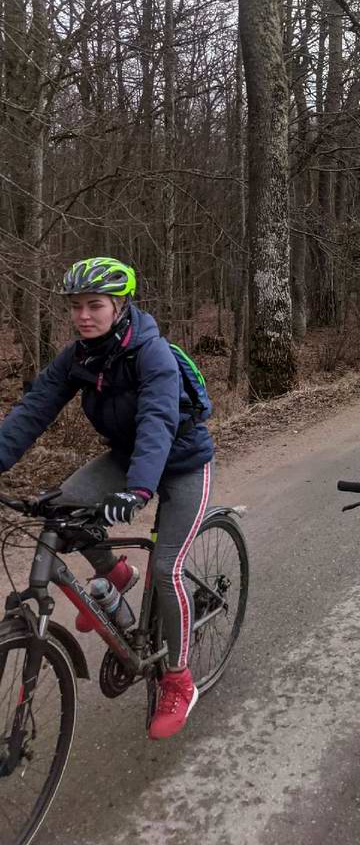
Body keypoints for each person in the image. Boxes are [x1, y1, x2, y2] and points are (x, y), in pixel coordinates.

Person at [0, 257, 214, 740]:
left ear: (119, 306)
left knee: (166, 569)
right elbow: (34, 409)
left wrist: (138, 489)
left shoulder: (151, 353)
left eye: (94, 305)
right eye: (75, 306)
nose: (82, 316)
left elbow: (157, 421)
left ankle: (179, 680)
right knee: (65, 505)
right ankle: (115, 573)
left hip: (182, 462)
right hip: (126, 456)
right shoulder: (79, 356)